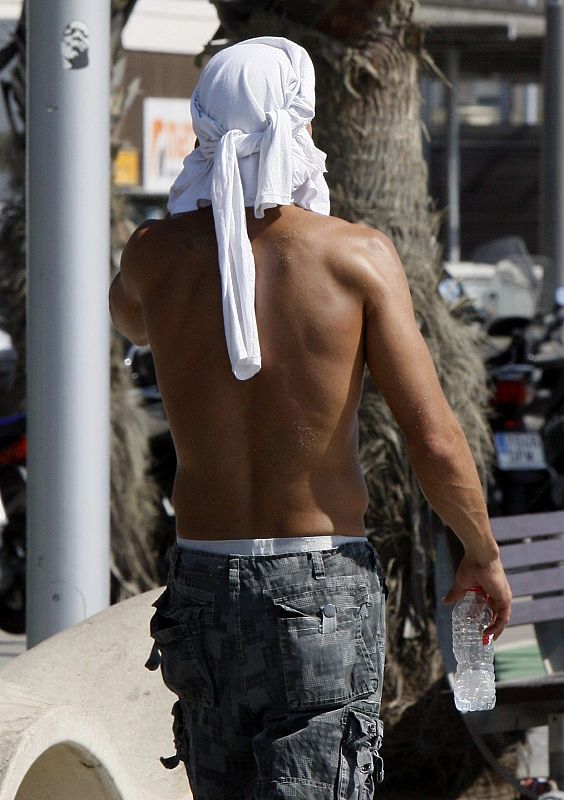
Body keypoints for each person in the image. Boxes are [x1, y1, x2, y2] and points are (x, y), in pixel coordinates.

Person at [109, 36, 512, 800]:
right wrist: (481, 552)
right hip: (318, 585)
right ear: (298, 124)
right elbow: (432, 438)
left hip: (203, 581)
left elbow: (129, 321)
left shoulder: (153, 254)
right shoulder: (356, 256)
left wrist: (196, 218)